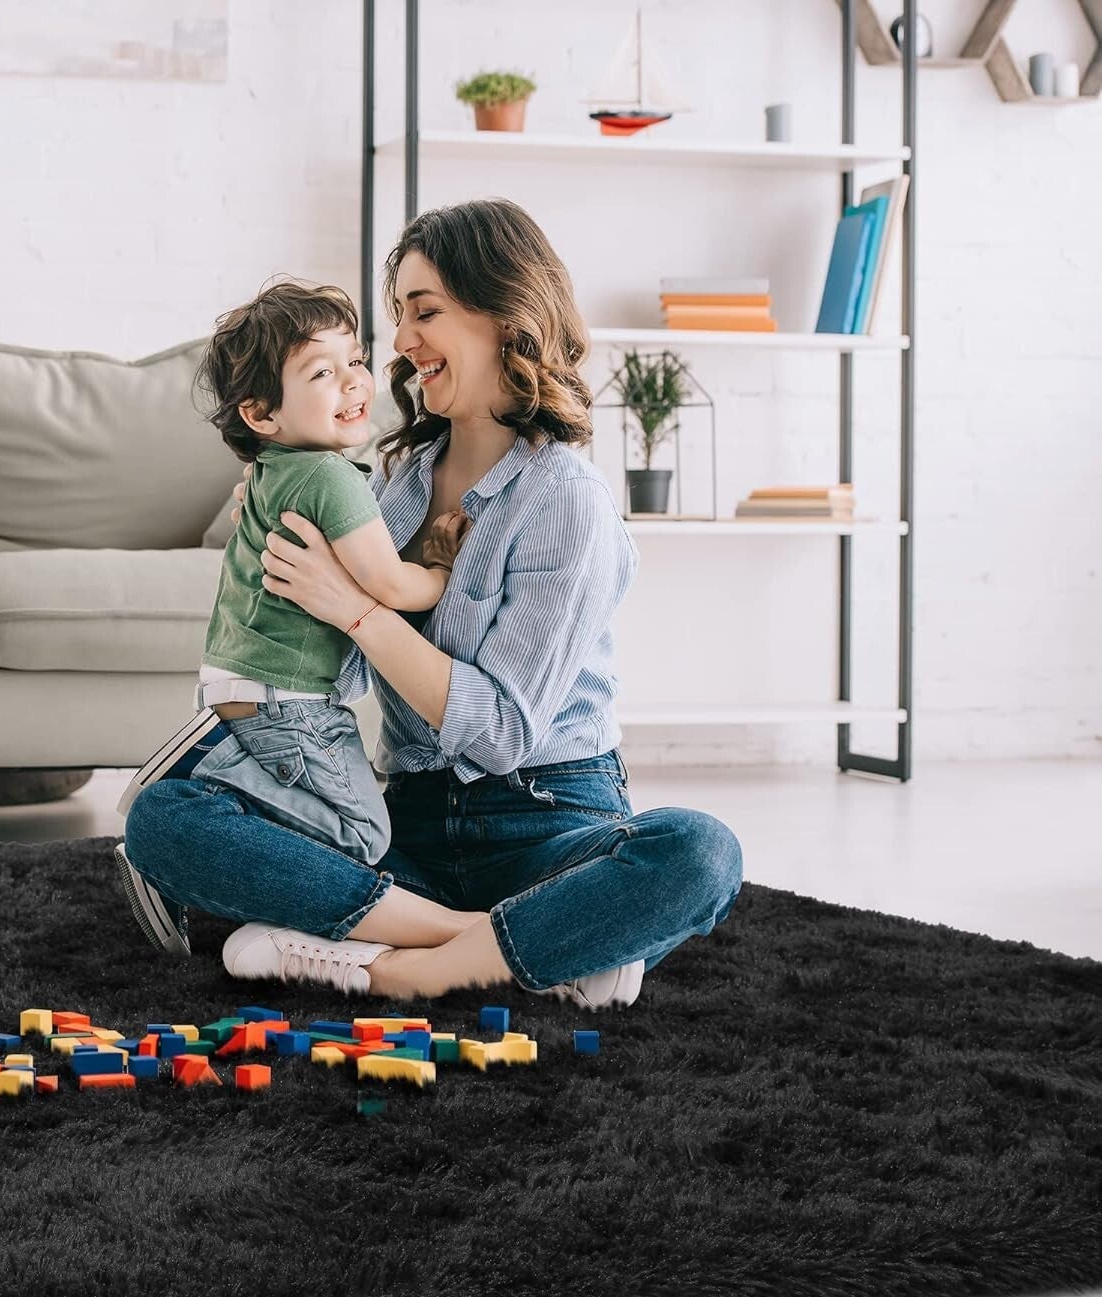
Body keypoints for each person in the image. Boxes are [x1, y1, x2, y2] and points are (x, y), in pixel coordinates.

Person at [118, 198, 743, 1008]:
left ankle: (400, 967)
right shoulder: (395, 485)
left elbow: (502, 732)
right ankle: (507, 944)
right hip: (401, 827)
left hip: (545, 822)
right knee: (163, 818)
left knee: (699, 852)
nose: (403, 343)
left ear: (504, 315)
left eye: (425, 312)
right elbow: (332, 658)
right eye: (400, 317)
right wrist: (275, 515)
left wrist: (359, 611)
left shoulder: (566, 500)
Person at [176, 280, 469, 870]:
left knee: (322, 825)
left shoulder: (274, 468)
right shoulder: (329, 477)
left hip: (240, 684)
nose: (354, 381)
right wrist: (440, 569)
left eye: (355, 361)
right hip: (289, 701)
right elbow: (391, 586)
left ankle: (213, 803)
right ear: (261, 413)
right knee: (364, 836)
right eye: (322, 373)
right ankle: (210, 782)